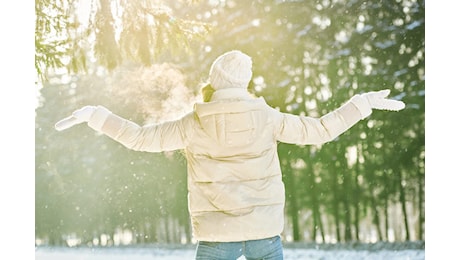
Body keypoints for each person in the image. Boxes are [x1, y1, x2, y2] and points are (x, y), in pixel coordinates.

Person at [55, 50, 405, 259]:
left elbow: (139, 139)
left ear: (215, 80)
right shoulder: (267, 118)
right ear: (245, 82)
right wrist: (361, 104)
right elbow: (322, 130)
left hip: (215, 235)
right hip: (264, 234)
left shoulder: (194, 123)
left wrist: (97, 116)